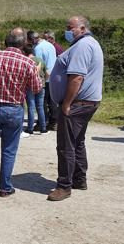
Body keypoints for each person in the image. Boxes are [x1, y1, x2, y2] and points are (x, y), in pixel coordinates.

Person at [0, 31, 42, 197]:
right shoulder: (27, 62)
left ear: (6, 42)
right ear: (22, 44)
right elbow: (36, 89)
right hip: (14, 109)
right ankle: (5, 187)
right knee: (9, 150)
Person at [47, 16, 103, 201]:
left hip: (77, 103)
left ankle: (64, 186)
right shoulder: (89, 44)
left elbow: (77, 77)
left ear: (82, 28)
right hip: (85, 102)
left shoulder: (83, 46)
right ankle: (79, 179)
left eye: (70, 27)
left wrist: (67, 103)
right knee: (77, 141)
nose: (67, 31)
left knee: (65, 146)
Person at [28, 31, 58, 132]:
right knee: (52, 101)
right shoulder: (50, 45)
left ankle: (42, 123)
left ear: (32, 39)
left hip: (45, 77)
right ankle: (54, 122)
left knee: (41, 103)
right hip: (54, 76)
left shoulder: (38, 48)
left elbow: (38, 66)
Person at [21, 45, 48, 137]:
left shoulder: (26, 61)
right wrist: (44, 80)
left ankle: (30, 129)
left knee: (31, 108)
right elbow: (47, 73)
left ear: (24, 52)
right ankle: (43, 128)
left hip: (30, 86)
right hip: (41, 86)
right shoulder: (40, 60)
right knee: (40, 107)